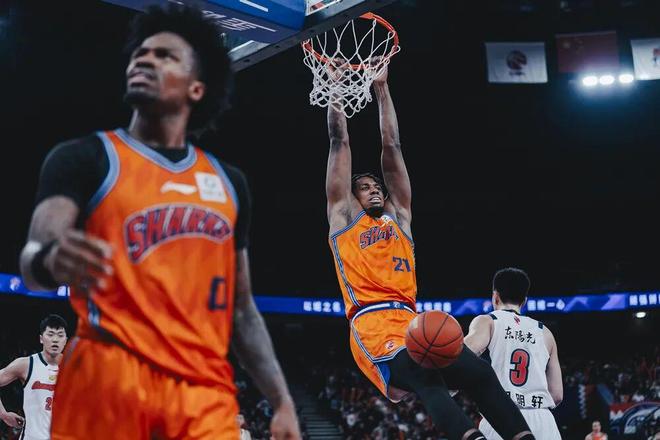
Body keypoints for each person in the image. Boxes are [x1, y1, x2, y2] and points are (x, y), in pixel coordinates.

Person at [18, 5, 300, 439]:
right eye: (141, 53)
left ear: (197, 88)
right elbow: (34, 257)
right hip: (109, 373)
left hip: (202, 385)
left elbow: (242, 309)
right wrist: (51, 260)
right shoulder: (83, 158)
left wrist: (281, 400)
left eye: (165, 55)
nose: (145, 59)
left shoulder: (229, 183)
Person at [324, 59, 535, 440]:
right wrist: (336, 89)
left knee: (478, 372)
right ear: (351, 198)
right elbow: (340, 142)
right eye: (365, 188)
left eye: (377, 187)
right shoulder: (343, 220)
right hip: (372, 323)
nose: (375, 190)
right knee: (425, 377)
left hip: (412, 318)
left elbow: (392, 144)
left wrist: (382, 89)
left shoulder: (399, 220)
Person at [464, 268, 563, 440]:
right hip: (543, 421)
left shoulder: (488, 321)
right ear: (524, 301)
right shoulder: (545, 332)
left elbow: (459, 356)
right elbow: (557, 395)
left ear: (495, 297)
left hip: (502, 417)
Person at [0, 315, 68, 440]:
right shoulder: (26, 364)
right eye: (50, 334)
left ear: (66, 340)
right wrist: (3, 414)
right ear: (41, 339)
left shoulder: (77, 368)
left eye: (60, 335)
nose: (55, 340)